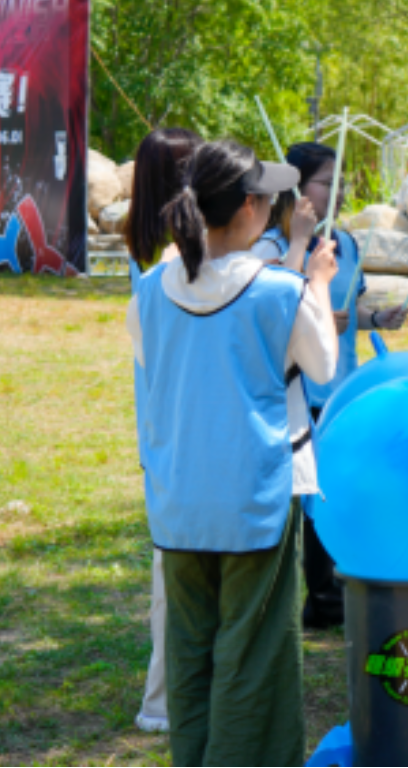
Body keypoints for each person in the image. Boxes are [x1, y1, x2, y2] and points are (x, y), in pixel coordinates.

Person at [127, 141, 340, 766]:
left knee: (190, 652)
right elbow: (322, 366)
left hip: (178, 501)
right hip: (254, 497)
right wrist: (318, 282)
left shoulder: (151, 290)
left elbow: (153, 365)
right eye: (269, 197)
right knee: (253, 657)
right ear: (249, 207)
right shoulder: (279, 291)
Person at [254, 142, 406, 629]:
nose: (337, 192)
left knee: (338, 490)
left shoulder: (347, 243)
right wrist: (317, 308)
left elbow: (346, 307)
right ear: (297, 185)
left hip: (344, 388)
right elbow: (273, 309)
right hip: (298, 392)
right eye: (326, 182)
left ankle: (333, 592)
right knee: (302, 500)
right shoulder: (272, 247)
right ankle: (310, 598)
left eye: (340, 181)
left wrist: (375, 317)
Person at [121, 126, 203, 735]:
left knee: (172, 573)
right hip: (180, 425)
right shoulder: (175, 256)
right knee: (173, 580)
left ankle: (169, 698)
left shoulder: (143, 243)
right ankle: (162, 703)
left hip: (159, 424)